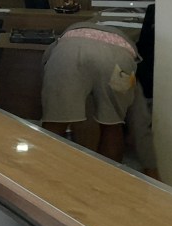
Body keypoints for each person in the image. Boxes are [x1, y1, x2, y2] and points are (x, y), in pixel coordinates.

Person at [41, 22, 141, 162]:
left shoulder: (62, 40)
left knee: (54, 123)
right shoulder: (126, 36)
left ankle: (42, 173)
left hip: (69, 54)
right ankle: (109, 178)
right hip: (120, 59)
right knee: (112, 125)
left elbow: (47, 65)